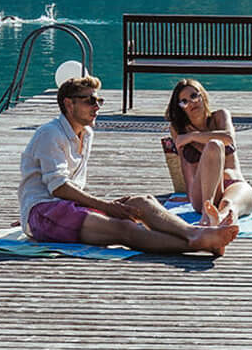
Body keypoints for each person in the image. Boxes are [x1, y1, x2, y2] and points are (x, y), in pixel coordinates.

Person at [19, 75, 238, 256]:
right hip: (45, 212)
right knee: (125, 229)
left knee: (142, 203)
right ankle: (200, 243)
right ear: (69, 104)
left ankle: (194, 233)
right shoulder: (50, 133)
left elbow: (68, 191)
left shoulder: (86, 134)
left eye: (99, 101)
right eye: (90, 101)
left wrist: (108, 206)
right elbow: (58, 187)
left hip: (67, 208)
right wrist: (106, 207)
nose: (97, 107)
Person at [165, 79, 252, 226]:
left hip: (233, 184)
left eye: (194, 96)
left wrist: (193, 136)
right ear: (180, 107)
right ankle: (208, 213)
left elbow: (229, 138)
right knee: (214, 145)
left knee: (229, 206)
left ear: (203, 96)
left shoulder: (220, 116)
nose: (191, 103)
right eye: (184, 101)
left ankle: (219, 219)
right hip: (202, 194)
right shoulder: (178, 128)